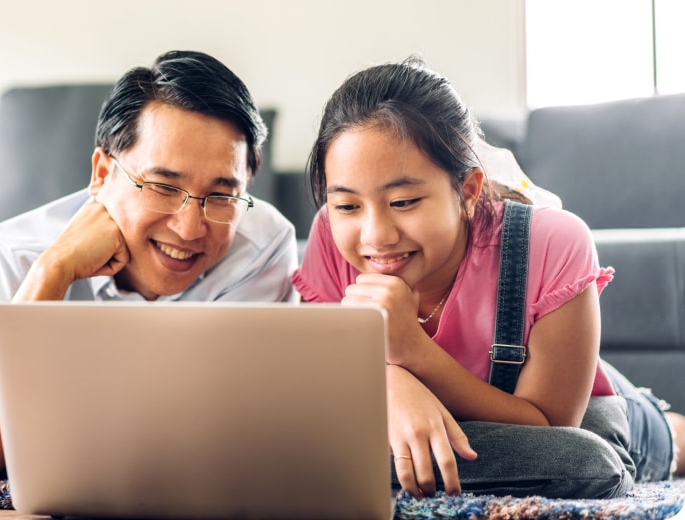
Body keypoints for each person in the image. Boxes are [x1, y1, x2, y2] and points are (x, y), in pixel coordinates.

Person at [293, 57, 685, 499]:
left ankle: (673, 431)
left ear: (468, 190)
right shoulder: (331, 235)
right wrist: (389, 381)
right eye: (347, 205)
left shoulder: (554, 241)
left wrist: (411, 351)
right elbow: (323, 380)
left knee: (608, 447)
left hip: (570, 399)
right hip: (486, 408)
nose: (375, 235)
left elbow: (553, 431)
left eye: (403, 202)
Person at [0, 50, 299, 488]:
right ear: (101, 172)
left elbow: (227, 435)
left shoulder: (263, 246)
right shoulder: (10, 255)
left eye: (221, 194)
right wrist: (52, 272)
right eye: (162, 186)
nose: (190, 227)